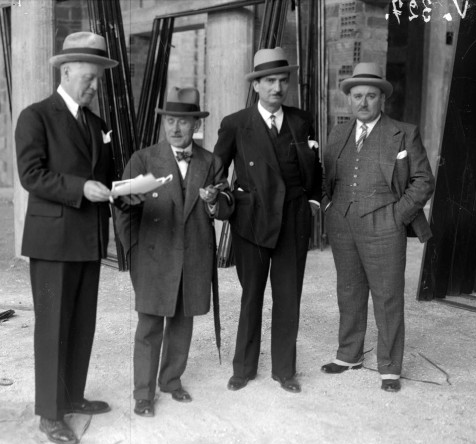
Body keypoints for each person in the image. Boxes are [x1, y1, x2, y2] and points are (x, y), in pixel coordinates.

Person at [16, 31, 127, 444]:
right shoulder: (36, 116)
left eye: (99, 78)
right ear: (66, 71)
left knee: (81, 323)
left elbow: (106, 177)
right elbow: (32, 176)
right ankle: (49, 412)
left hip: (87, 239)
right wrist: (81, 188)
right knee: (52, 327)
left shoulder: (97, 124)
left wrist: (126, 189)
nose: (96, 86)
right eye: (90, 77)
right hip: (52, 241)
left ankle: (73, 396)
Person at [116, 87, 231, 418]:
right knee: (149, 324)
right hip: (152, 256)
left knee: (183, 320)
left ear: (195, 125)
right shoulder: (143, 159)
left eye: (183, 121)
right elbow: (121, 207)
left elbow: (224, 208)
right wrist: (133, 248)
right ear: (163, 122)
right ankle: (143, 393)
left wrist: (214, 203)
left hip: (194, 254)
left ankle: (171, 380)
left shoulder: (212, 162)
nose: (175, 128)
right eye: (170, 121)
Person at [320, 62, 435, 392]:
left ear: (381, 98)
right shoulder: (339, 132)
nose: (363, 102)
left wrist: (398, 215)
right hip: (343, 223)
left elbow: (423, 180)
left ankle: (389, 367)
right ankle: (349, 354)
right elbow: (326, 176)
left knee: (387, 296)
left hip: (385, 223)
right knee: (349, 290)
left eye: (371, 96)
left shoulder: (402, 132)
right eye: (357, 96)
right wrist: (329, 207)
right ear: (349, 99)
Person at [213, 47, 322, 394]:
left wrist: (314, 203)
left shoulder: (301, 120)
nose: (277, 87)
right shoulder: (235, 124)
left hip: (292, 219)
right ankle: (243, 369)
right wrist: (219, 197)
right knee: (252, 296)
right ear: (256, 85)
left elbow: (314, 170)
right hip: (252, 221)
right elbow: (217, 172)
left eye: (282, 80)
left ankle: (284, 371)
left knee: (289, 296)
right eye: (270, 81)